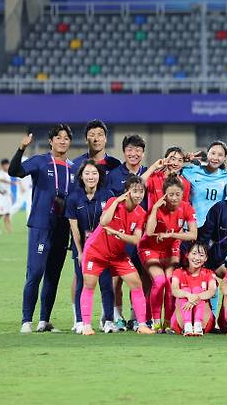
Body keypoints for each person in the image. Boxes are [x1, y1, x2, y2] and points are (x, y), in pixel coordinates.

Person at [9, 125, 77, 333]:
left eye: (66, 138)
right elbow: (15, 171)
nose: (63, 141)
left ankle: (43, 321)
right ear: (51, 141)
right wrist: (21, 149)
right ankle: (26, 320)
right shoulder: (40, 161)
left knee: (53, 275)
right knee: (36, 272)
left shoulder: (73, 168)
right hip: (41, 224)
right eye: (58, 137)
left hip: (62, 227)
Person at [79, 175, 154, 335]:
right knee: (89, 285)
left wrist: (118, 234)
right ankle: (86, 325)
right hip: (96, 252)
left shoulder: (141, 213)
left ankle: (141, 325)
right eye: (135, 191)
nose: (139, 195)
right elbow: (104, 221)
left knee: (136, 283)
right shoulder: (114, 202)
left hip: (118, 255)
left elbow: (135, 239)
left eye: (141, 192)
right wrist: (117, 202)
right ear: (126, 192)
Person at [138, 174, 198, 333]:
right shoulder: (156, 208)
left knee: (172, 282)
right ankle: (156, 322)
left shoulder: (186, 207)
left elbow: (193, 235)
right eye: (170, 194)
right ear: (164, 194)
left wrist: (172, 235)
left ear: (182, 194)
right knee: (159, 281)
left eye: (178, 194)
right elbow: (149, 232)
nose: (174, 198)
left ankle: (168, 323)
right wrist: (156, 208)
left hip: (171, 247)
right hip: (150, 248)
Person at [65, 160, 115, 334]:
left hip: (103, 249)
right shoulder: (73, 198)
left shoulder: (108, 195)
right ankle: (79, 320)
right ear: (81, 176)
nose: (91, 177)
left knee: (106, 284)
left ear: (99, 176)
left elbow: (112, 225)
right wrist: (79, 252)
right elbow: (74, 230)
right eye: (87, 173)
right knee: (81, 282)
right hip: (83, 249)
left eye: (94, 173)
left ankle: (108, 320)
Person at [105, 134, 148, 330]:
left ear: (143, 153)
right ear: (124, 152)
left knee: (141, 277)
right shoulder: (114, 175)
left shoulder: (148, 173)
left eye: (138, 150)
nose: (134, 153)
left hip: (142, 236)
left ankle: (135, 316)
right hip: (118, 236)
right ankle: (117, 315)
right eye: (130, 149)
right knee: (117, 279)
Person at [182, 140, 227, 226]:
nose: (215, 158)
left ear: (224, 158)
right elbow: (171, 170)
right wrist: (182, 160)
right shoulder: (193, 171)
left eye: (220, 155)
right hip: (192, 227)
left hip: (213, 229)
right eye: (213, 153)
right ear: (207, 154)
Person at [170, 242, 217, 336]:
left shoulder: (209, 273)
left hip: (204, 321)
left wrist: (196, 297)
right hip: (180, 320)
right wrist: (188, 295)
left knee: (198, 290)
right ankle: (187, 325)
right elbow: (174, 290)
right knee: (185, 291)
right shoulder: (178, 272)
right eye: (194, 253)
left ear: (206, 258)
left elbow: (212, 291)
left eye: (201, 255)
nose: (197, 258)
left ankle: (197, 325)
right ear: (187, 255)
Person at [70, 119, 122, 186]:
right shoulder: (76, 165)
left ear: (105, 139)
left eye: (100, 135)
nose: (96, 139)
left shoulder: (115, 165)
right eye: (92, 135)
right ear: (86, 140)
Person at [0, 158, 14, 233]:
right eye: (6, 165)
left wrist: (11, 195)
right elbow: (1, 180)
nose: (7, 166)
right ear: (2, 166)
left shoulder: (8, 173)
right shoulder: (0, 173)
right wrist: (11, 183)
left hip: (6, 197)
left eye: (8, 164)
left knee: (7, 214)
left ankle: (9, 231)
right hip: (0, 196)